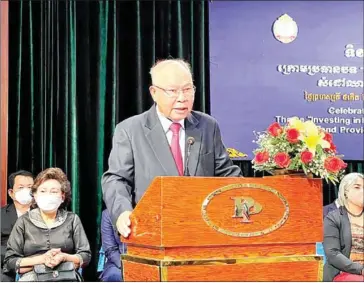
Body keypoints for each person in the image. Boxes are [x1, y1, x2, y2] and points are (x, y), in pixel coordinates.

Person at [102, 58, 243, 238]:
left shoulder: (207, 126)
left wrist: (246, 196)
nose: (182, 98)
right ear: (154, 92)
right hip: (154, 234)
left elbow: (227, 174)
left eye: (187, 89)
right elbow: (116, 179)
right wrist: (123, 212)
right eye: (172, 91)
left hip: (204, 231)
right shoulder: (130, 130)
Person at [3, 168, 91, 282]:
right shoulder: (23, 221)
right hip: (32, 278)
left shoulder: (72, 219)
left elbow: (85, 256)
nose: (48, 195)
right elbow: (10, 261)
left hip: (66, 276)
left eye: (54, 191)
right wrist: (42, 259)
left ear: (62, 196)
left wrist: (64, 257)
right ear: (34, 194)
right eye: (43, 191)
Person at [323, 172, 364, 281]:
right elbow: (333, 253)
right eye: (357, 187)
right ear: (345, 192)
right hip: (344, 272)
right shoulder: (333, 218)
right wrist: (361, 270)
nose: (362, 191)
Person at [1, 170, 34, 282]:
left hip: (38, 267)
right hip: (6, 269)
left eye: (30, 187)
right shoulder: (1, 215)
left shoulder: (43, 214)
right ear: (11, 193)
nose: (26, 191)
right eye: (21, 187)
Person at [99, 209, 126, 282]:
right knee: (115, 276)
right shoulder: (108, 214)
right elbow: (110, 249)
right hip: (118, 263)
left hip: (146, 261)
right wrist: (126, 265)